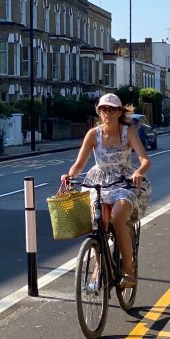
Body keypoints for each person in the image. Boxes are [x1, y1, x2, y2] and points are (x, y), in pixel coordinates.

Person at [60, 93, 152, 287]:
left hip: (124, 181)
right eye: (103, 109)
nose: (106, 113)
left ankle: (129, 269)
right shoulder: (93, 134)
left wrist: (138, 172)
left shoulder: (129, 133)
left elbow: (145, 160)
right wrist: (69, 175)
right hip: (99, 181)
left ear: (119, 112)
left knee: (117, 217)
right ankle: (99, 266)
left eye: (111, 109)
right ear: (98, 111)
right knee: (97, 222)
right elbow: (79, 164)